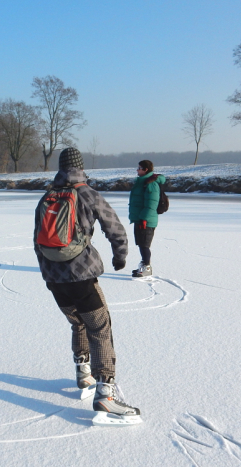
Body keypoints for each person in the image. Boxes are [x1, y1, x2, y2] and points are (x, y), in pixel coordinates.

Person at [33, 147, 140, 420]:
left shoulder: (47, 196)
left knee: (77, 322)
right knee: (100, 328)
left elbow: (37, 239)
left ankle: (83, 373)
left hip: (54, 279)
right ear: (81, 168)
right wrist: (120, 257)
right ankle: (106, 393)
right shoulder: (88, 194)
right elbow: (115, 228)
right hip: (82, 277)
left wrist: (49, 272)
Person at [128, 159, 166, 278]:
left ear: (146, 170)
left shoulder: (151, 183)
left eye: (139, 168)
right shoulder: (142, 181)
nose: (137, 170)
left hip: (146, 220)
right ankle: (144, 264)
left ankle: (147, 267)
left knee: (144, 244)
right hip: (140, 218)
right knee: (141, 243)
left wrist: (144, 218)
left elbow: (151, 203)